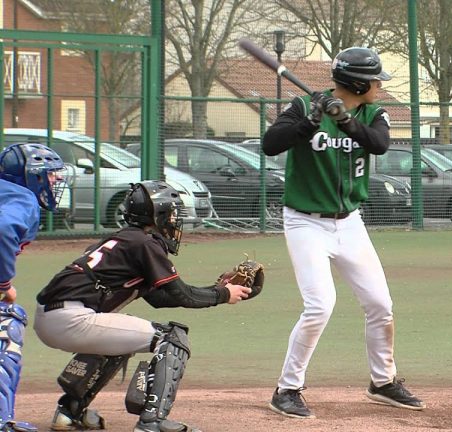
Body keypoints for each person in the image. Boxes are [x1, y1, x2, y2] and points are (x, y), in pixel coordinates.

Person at [262, 46, 424, 419]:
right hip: (305, 221)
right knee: (320, 305)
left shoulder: (372, 112)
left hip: (349, 222)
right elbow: (271, 144)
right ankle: (287, 389)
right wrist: (310, 123)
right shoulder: (304, 106)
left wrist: (347, 120)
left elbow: (379, 144)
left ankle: (383, 382)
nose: (378, 88)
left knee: (380, 305)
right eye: (373, 82)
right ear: (357, 82)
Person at [33, 180, 254, 432]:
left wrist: (218, 290)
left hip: (54, 317)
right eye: (172, 213)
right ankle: (152, 422)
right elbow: (182, 295)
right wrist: (223, 294)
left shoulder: (126, 240)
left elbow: (160, 298)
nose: (175, 220)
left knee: (118, 339)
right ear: (158, 215)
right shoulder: (145, 243)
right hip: (72, 318)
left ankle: (69, 412)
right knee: (173, 338)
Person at [0, 143, 68, 432]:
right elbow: (2, 229)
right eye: (50, 175)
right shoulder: (23, 198)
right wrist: (4, 284)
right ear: (31, 175)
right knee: (7, 327)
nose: (56, 181)